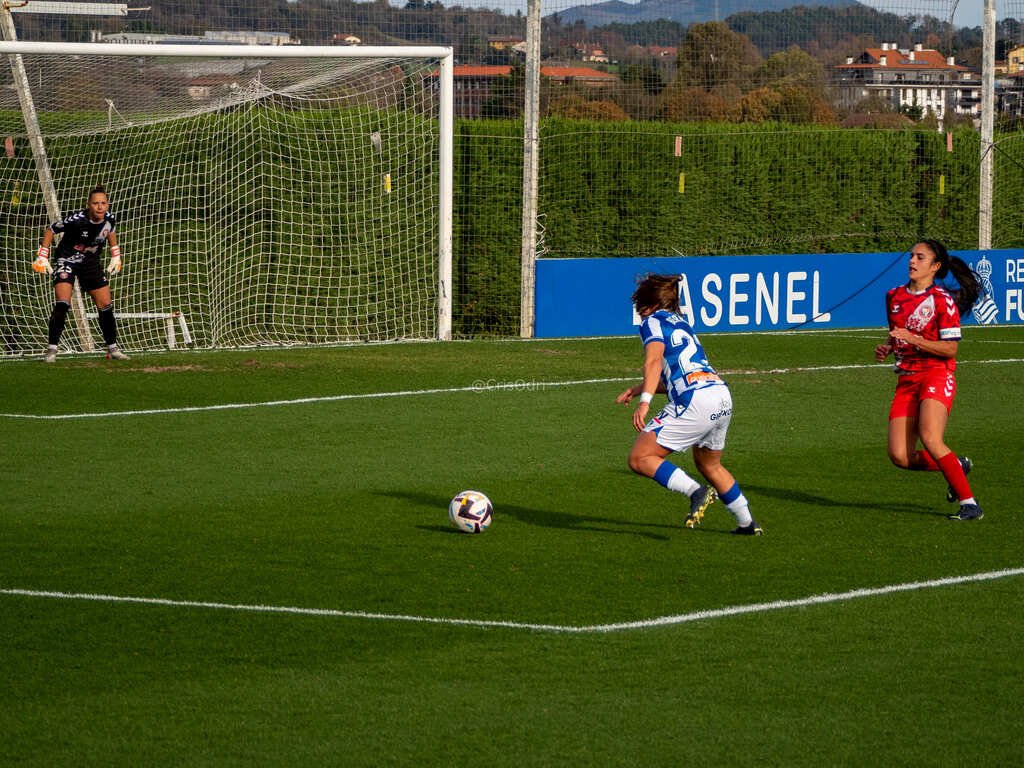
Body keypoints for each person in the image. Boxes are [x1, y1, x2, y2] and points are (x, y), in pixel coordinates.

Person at [616, 273, 762, 535]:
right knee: (709, 465)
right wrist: (640, 389)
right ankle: (747, 523)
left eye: (639, 303)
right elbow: (679, 374)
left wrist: (645, 402)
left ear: (650, 303)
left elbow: (653, 361)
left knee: (640, 457)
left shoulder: (652, 322)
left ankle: (696, 492)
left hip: (696, 400)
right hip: (720, 395)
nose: (638, 309)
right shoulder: (681, 323)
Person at [874, 239, 983, 521]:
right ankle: (956, 465)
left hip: (936, 373)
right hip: (906, 380)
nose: (912, 261)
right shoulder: (893, 296)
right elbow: (898, 332)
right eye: (912, 256)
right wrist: (888, 346)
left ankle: (970, 504)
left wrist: (913, 339)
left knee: (931, 437)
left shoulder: (942, 301)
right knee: (900, 456)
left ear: (935, 266)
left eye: (920, 257)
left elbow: (950, 349)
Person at [32, 185, 128, 362]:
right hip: (66, 260)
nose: (100, 207)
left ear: (107, 205)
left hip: (90, 264)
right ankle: (52, 350)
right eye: (96, 203)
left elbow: (111, 231)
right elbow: (51, 229)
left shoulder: (110, 218)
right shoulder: (76, 220)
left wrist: (116, 253)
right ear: (88, 205)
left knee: (106, 305)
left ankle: (113, 349)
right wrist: (43, 254)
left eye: (103, 203)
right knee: (63, 303)